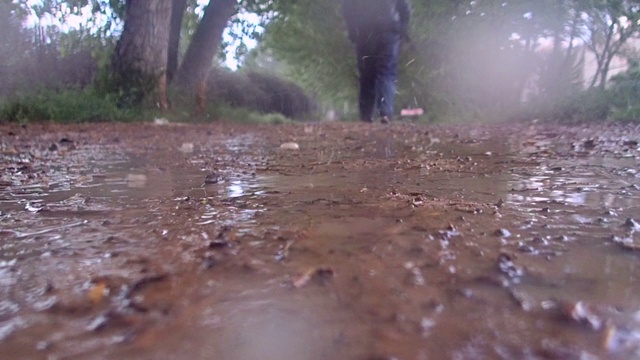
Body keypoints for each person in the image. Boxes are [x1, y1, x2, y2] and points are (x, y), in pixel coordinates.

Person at [342, 0, 410, 124]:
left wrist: (352, 29)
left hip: (365, 30)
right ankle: (385, 111)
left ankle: (366, 115)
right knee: (387, 72)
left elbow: (347, 7)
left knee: (367, 74)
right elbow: (404, 7)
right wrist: (402, 28)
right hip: (388, 29)